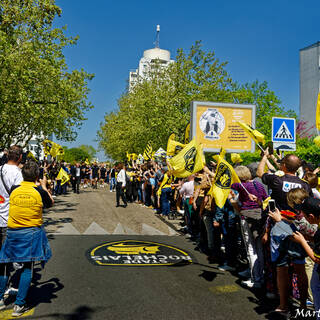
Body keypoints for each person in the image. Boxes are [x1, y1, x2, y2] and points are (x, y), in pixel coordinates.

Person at [0, 161, 53, 317]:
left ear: (22, 174)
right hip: (30, 232)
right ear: (37, 176)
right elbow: (50, 203)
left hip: (12, 231)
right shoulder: (39, 192)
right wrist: (43, 186)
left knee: (4, 265)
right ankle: (19, 304)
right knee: (27, 268)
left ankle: (0, 298)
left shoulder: (14, 189)